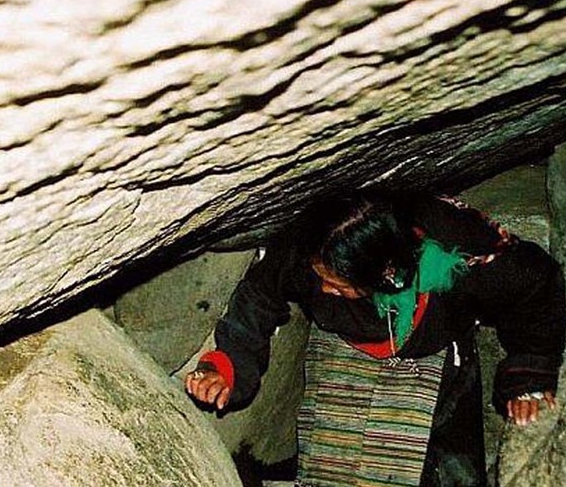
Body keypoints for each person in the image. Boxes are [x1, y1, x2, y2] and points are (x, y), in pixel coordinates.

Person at [185, 193, 565, 487]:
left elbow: (537, 286)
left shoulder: (466, 252)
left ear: (387, 275)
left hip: (437, 340)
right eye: (323, 279)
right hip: (342, 341)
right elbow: (260, 293)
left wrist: (529, 373)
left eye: (339, 285)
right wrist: (228, 365)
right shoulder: (312, 246)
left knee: (449, 470)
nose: (325, 289)